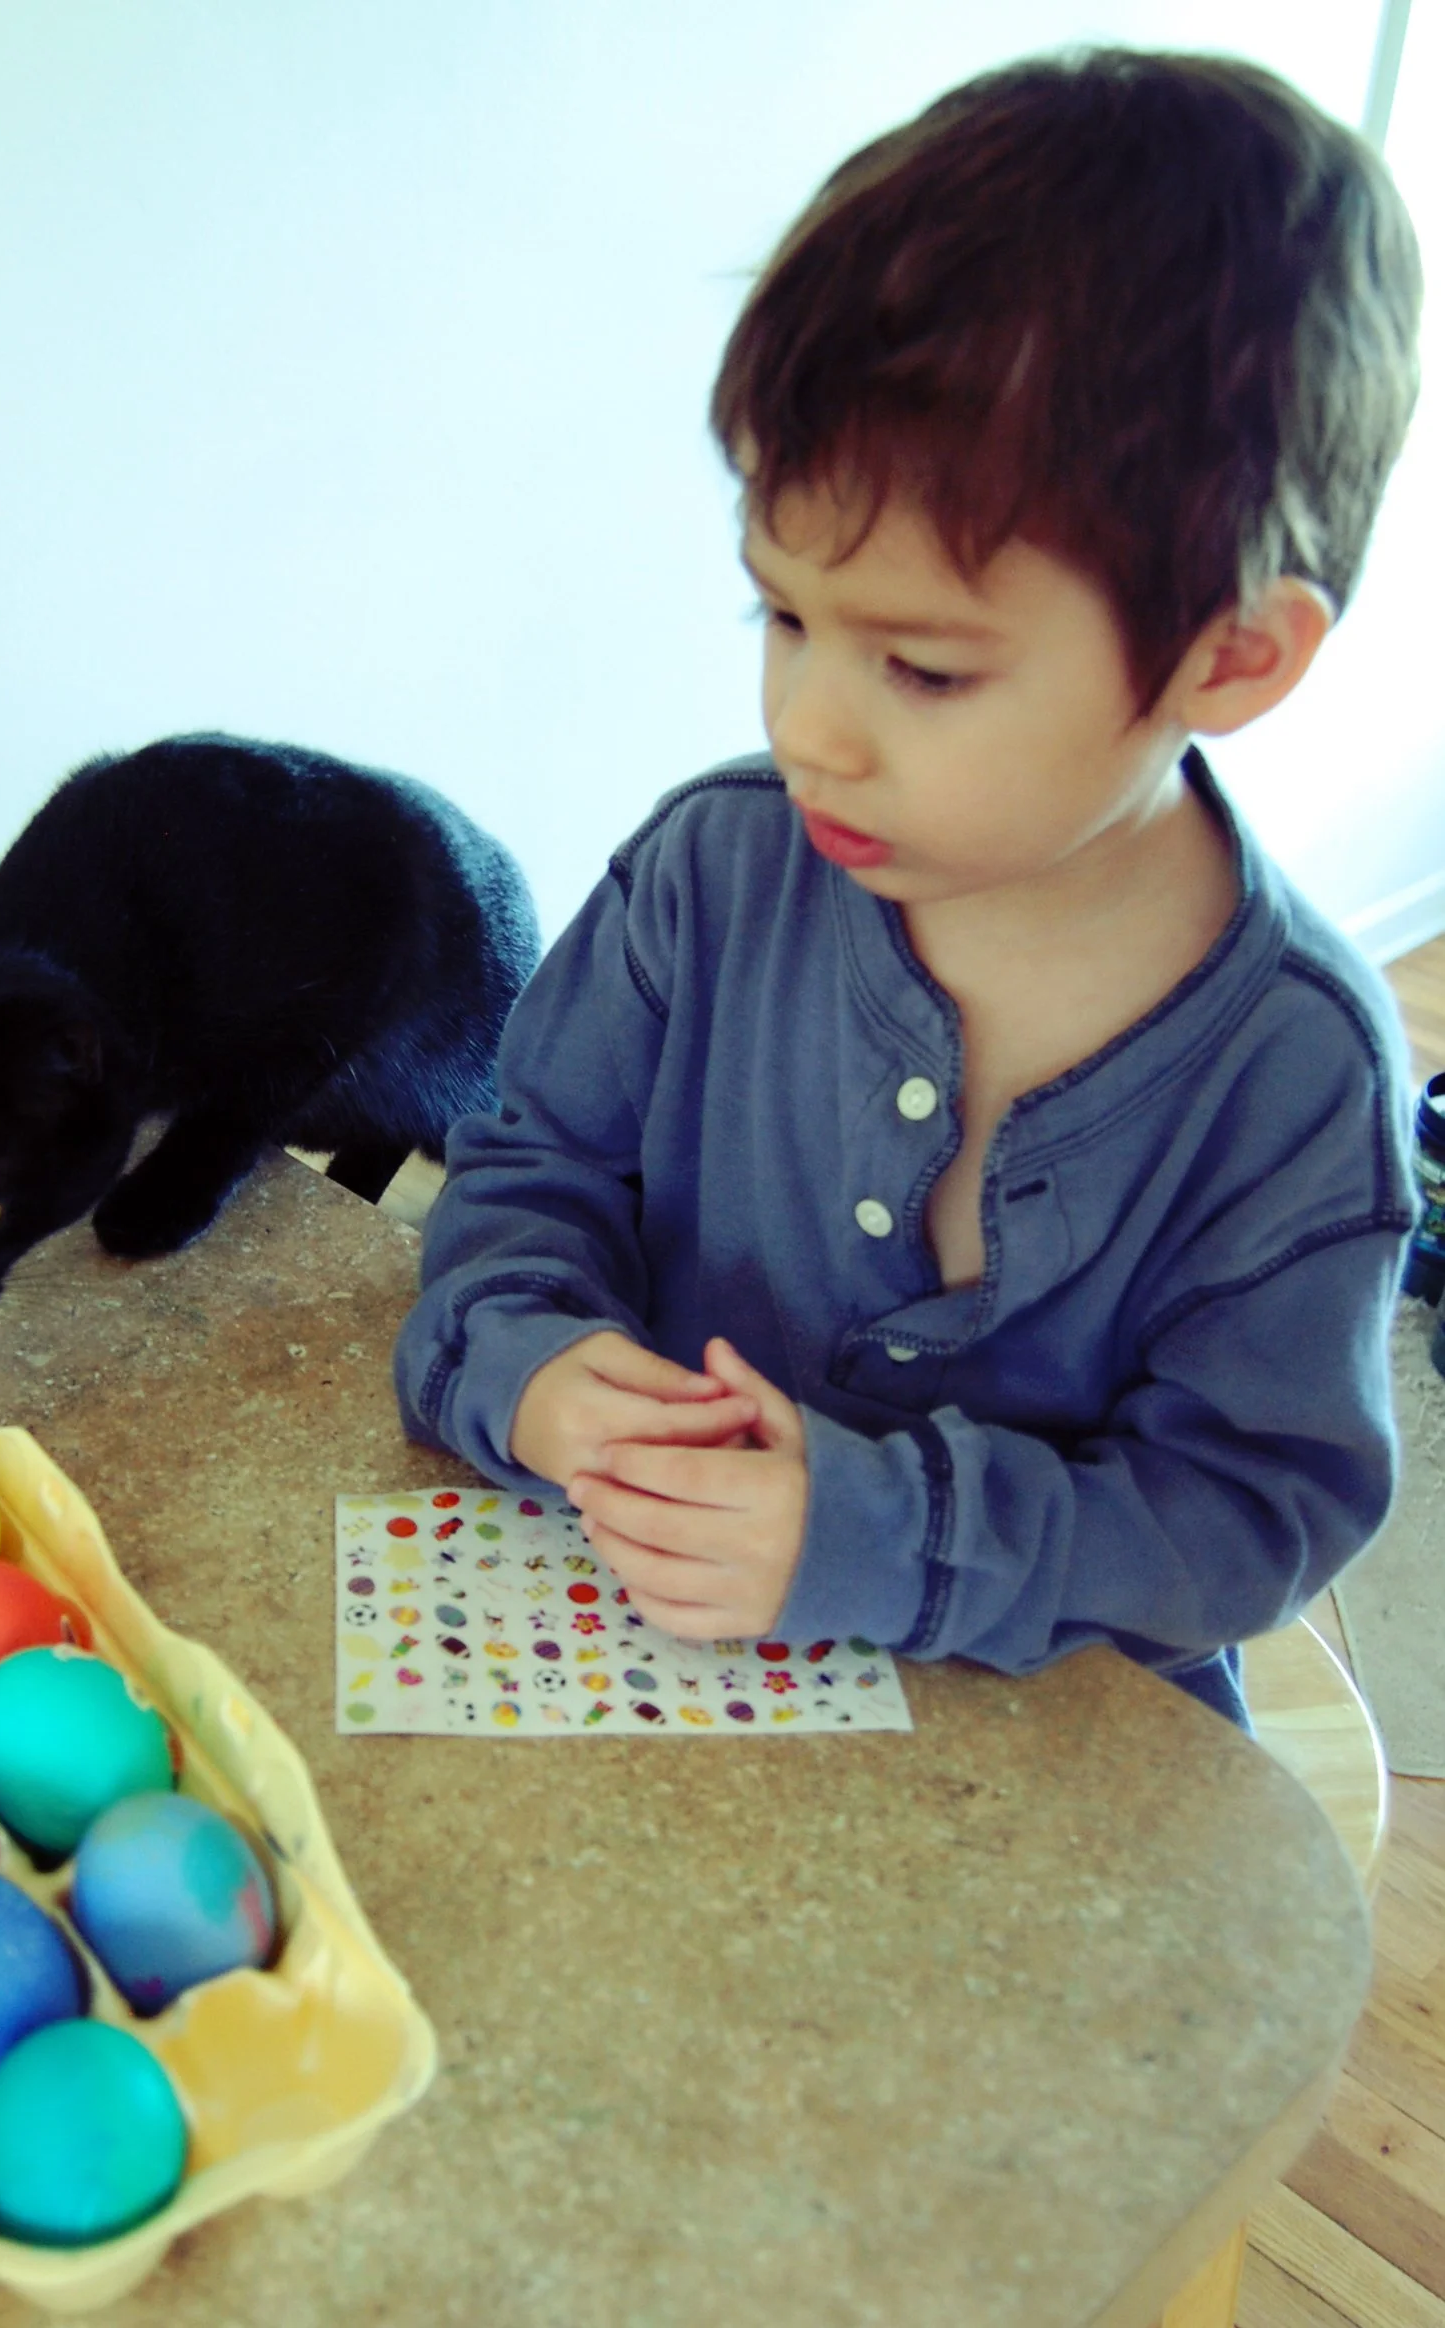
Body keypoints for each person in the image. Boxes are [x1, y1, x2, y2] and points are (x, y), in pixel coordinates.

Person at [391, 47, 1424, 1731]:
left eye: (925, 671)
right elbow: (526, 1175)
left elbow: (1247, 1520)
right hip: (640, 1697)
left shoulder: (1297, 1077)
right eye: (784, 619)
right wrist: (534, 1365)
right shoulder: (709, 873)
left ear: (1234, 657)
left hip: (1048, 1782)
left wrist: (879, 1534)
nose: (806, 730)